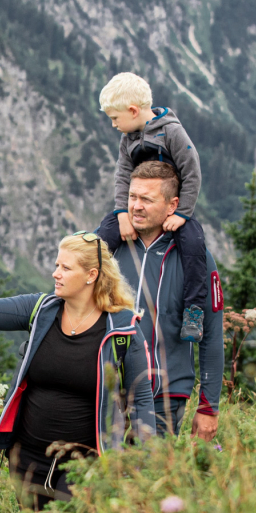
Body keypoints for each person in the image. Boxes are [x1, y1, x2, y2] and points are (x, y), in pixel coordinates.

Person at [0, 233, 147, 507]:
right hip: (28, 457)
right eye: (57, 265)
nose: (55, 274)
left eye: (66, 268)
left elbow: (141, 399)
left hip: (85, 463)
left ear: (91, 275)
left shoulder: (122, 330)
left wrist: (145, 467)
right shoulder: (41, 310)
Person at [92, 72, 214, 342]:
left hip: (173, 207)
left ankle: (193, 311)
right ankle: (89, 291)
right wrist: (122, 213)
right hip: (136, 205)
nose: (114, 125)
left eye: (115, 118)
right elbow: (123, 175)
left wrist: (182, 214)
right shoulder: (129, 139)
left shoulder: (172, 132)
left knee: (194, 244)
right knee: (102, 237)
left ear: (133, 110)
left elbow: (192, 172)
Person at [113, 160, 226, 440]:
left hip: (163, 399)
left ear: (173, 205)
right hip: (104, 395)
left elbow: (211, 337)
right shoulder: (110, 250)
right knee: (92, 480)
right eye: (132, 197)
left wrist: (208, 407)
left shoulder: (196, 260)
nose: (136, 206)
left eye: (147, 199)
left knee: (146, 481)